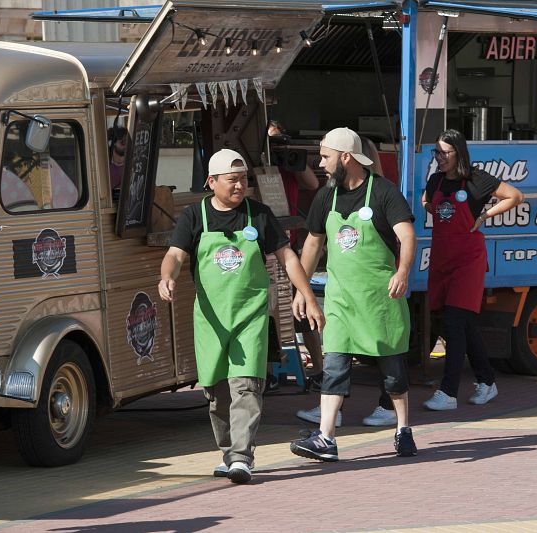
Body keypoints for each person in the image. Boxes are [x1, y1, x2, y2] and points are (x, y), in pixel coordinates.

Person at [158, 149, 324, 483]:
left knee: (246, 385)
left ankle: (241, 457)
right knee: (217, 392)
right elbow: (174, 254)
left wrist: (308, 295)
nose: (239, 186)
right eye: (232, 180)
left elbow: (288, 257)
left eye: (243, 179)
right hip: (211, 320)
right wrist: (167, 277)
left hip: (250, 316)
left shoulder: (259, 215)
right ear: (212, 182)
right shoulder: (195, 216)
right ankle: (229, 452)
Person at [289, 127, 417, 461]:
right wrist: (303, 290)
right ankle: (326, 438)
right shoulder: (326, 197)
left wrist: (402, 272)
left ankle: (403, 429)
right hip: (342, 301)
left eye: (326, 156)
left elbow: (407, 236)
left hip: (381, 300)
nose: (321, 164)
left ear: (346, 157)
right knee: (334, 365)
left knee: (393, 372)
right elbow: (313, 243)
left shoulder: (385, 193)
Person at [421, 129, 524, 410]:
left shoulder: (477, 180)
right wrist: (437, 210)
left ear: (459, 153)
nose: (439, 158)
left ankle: (448, 393)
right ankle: (487, 381)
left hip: (468, 260)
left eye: (444, 153)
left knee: (455, 323)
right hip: (442, 258)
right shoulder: (436, 180)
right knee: (460, 323)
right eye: (436, 153)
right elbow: (426, 202)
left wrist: (485, 214)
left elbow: (515, 196)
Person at [266, 120, 324, 395]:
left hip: (285, 246)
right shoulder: (253, 167)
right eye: (270, 142)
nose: (275, 146)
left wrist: (289, 156)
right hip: (260, 249)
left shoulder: (288, 163)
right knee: (266, 314)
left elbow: (311, 183)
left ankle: (319, 370)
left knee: (301, 309)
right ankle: (268, 373)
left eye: (279, 139)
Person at [108, 125, 128, 195]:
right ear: (113, 143)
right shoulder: (103, 163)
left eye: (128, 143)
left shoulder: (134, 165)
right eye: (123, 142)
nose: (126, 146)